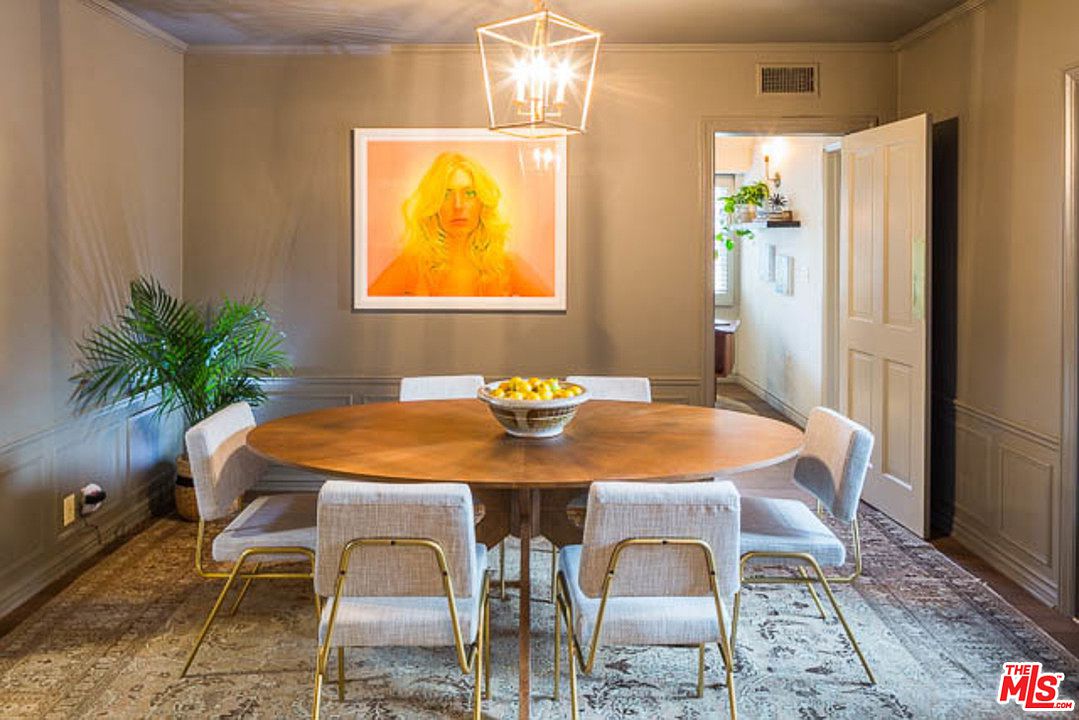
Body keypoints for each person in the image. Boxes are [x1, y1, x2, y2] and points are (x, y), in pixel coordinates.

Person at [368, 152, 552, 297]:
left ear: (483, 202)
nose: (458, 205)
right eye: (446, 194)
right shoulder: (412, 265)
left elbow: (559, 315)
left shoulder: (507, 266)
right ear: (433, 205)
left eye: (469, 193)